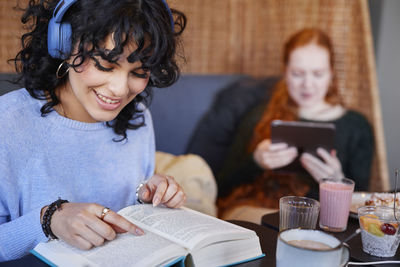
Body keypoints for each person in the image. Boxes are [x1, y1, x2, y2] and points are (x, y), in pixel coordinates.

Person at [0, 0, 187, 261]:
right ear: (63, 44)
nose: (120, 90)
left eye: (139, 72)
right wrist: (47, 220)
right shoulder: (7, 122)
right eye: (104, 65)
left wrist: (148, 195)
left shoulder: (139, 118)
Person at [216, 28, 374, 220]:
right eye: (298, 74)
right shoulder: (259, 116)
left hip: (320, 218)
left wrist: (338, 181)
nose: (307, 85)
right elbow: (221, 185)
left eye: (318, 74)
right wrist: (256, 161)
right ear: (285, 72)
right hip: (259, 210)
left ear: (331, 73)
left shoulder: (357, 126)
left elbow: (362, 205)